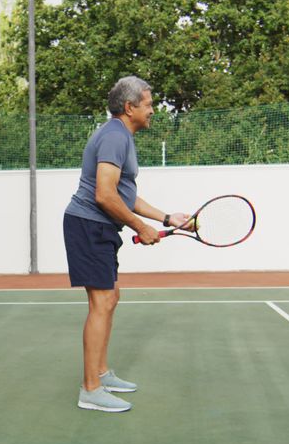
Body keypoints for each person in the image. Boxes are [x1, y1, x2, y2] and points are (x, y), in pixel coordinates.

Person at [62, 76, 194, 413]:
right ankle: (90, 389)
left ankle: (101, 373)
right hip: (88, 225)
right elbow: (104, 195)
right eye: (148, 104)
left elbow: (125, 195)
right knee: (102, 302)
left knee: (110, 298)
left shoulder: (120, 136)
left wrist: (166, 219)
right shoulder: (114, 137)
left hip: (99, 226)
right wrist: (141, 227)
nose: (152, 111)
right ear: (129, 107)